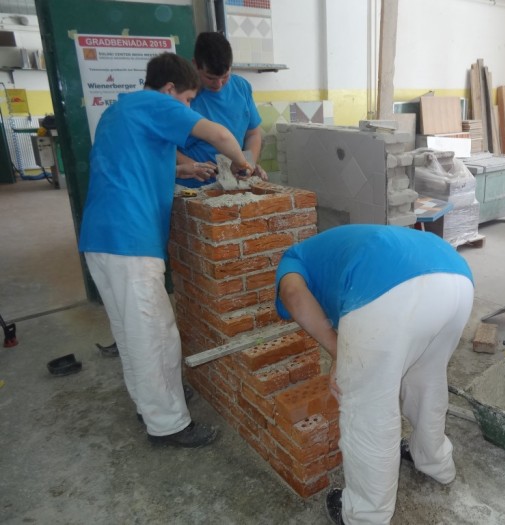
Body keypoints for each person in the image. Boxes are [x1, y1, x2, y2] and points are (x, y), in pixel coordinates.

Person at [78, 52, 252, 448]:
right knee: (155, 335)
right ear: (170, 89)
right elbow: (221, 136)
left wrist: (181, 169)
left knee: (131, 333)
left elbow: (131, 162)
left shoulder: (119, 110)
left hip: (100, 240)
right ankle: (169, 424)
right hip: (130, 241)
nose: (188, 108)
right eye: (188, 100)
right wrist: (242, 164)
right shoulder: (154, 102)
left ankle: (151, 402)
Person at [274, 225, 475, 525]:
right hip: (456, 278)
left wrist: (339, 353)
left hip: (385, 287)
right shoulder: (335, 247)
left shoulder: (292, 259)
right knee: (427, 381)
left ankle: (366, 516)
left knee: (368, 408)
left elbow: (292, 293)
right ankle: (435, 461)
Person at [176, 31, 267, 187]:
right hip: (190, 187)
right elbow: (164, 146)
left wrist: (248, 165)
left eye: (225, 76)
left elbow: (253, 134)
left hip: (232, 185)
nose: (218, 84)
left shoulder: (241, 87)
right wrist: (192, 166)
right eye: (210, 78)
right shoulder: (181, 94)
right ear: (195, 65)